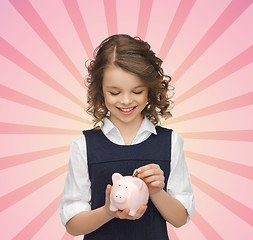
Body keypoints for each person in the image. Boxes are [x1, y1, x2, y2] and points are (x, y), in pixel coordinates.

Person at [59, 34, 194, 240]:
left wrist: (156, 191)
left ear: (149, 89)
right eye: (114, 92)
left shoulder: (171, 143)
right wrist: (108, 211)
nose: (126, 100)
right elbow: (73, 226)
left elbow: (180, 218)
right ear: (100, 91)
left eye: (137, 91)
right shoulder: (84, 146)